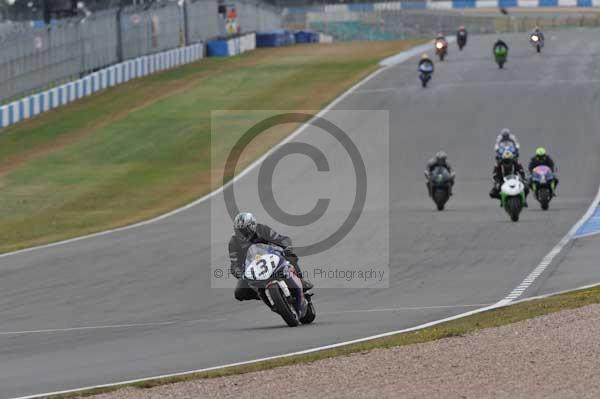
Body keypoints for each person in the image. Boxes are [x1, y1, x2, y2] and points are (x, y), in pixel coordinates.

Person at [229, 212, 312, 302]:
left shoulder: (262, 229)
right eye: (239, 231)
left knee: (289, 256)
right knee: (239, 293)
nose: (242, 233)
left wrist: (286, 246)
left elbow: (281, 239)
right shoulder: (234, 242)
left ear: (252, 225)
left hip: (273, 257)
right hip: (253, 268)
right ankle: (265, 295)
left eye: (245, 230)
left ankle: (300, 280)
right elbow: (234, 263)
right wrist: (240, 274)